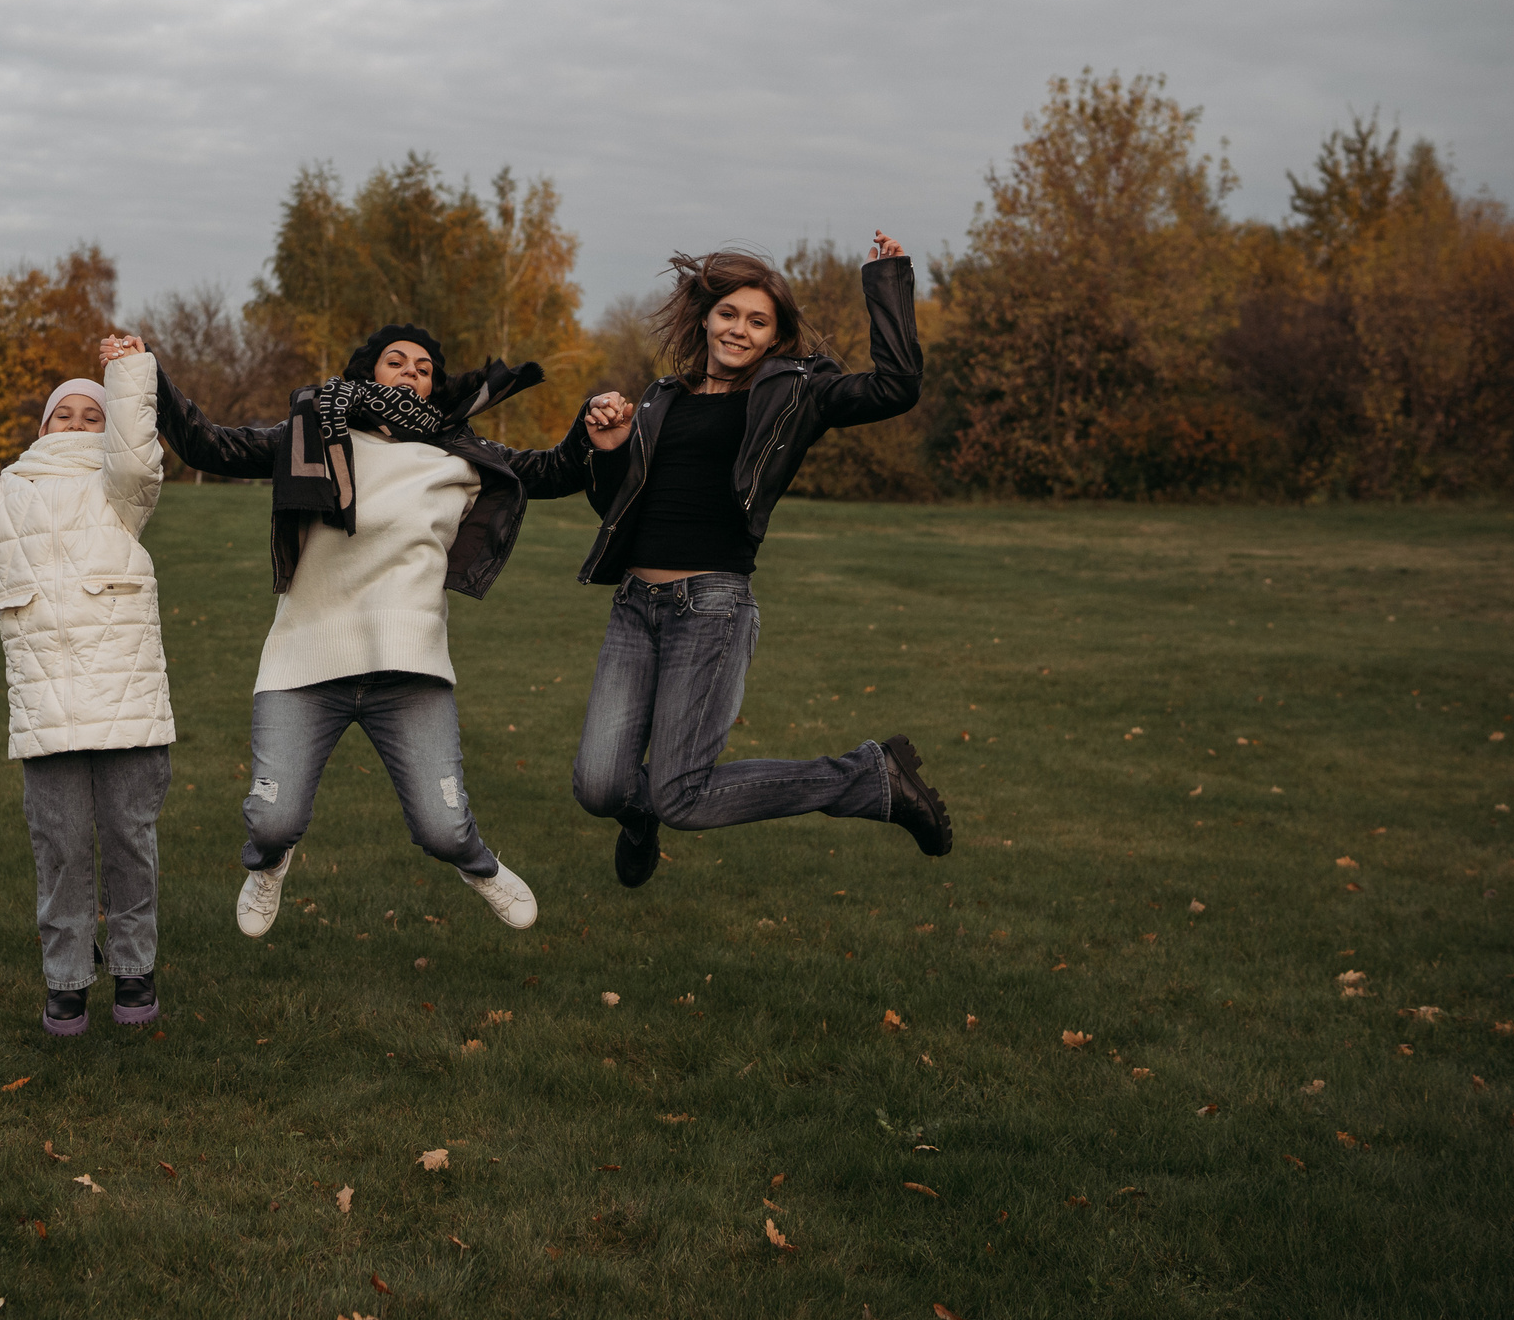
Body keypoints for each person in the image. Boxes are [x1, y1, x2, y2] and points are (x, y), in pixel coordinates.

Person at [111, 325, 589, 937]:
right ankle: (268, 865)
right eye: (397, 361)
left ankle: (478, 866)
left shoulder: (458, 455)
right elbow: (210, 447)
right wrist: (146, 370)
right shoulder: (312, 434)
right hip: (304, 660)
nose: (412, 372)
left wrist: (593, 433)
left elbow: (550, 471)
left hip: (410, 671)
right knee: (271, 821)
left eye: (424, 367)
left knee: (444, 830)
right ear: (369, 371)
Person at [568, 233, 952, 887]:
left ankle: (869, 777)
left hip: (710, 608)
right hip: (634, 608)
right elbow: (621, 507)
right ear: (705, 317)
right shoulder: (663, 397)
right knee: (600, 786)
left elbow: (896, 385)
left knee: (683, 793)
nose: (739, 330)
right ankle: (641, 816)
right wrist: (605, 448)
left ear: (775, 338)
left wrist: (887, 281)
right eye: (728, 314)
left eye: (757, 321)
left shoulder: (794, 391)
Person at [0, 350, 175, 1035]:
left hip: (128, 706)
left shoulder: (123, 489)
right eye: (63, 414)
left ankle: (135, 969)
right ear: (42, 427)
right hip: (46, 712)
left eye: (93, 415)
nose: (76, 423)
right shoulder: (4, 493)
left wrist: (129, 376)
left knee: (130, 843)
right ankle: (67, 981)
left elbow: (137, 457)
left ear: (110, 429)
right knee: (62, 849)